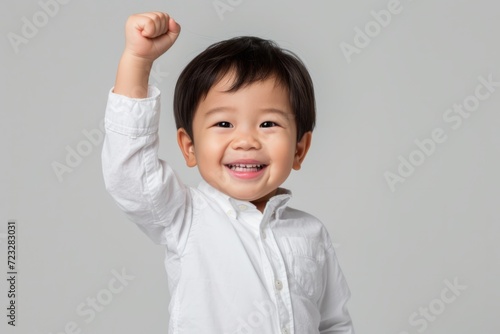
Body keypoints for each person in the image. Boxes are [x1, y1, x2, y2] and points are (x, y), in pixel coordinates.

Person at [101, 11, 354, 334]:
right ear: (189, 147)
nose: (246, 141)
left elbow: (333, 322)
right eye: (224, 124)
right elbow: (130, 172)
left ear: (299, 149)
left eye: (268, 124)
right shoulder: (186, 217)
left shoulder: (311, 232)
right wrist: (137, 61)